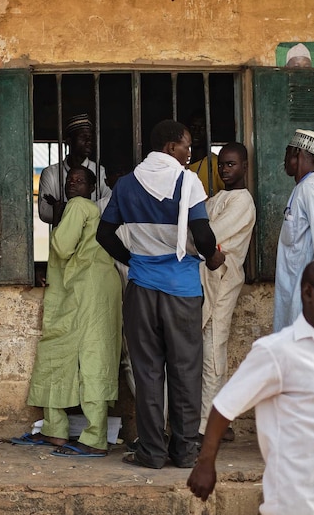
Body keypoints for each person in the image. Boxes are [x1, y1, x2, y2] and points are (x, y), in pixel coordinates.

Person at [96, 119, 225, 470]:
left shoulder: (125, 185)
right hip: (182, 291)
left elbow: (105, 235)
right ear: (170, 148)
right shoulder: (187, 182)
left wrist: (135, 260)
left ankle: (152, 452)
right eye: (186, 146)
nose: (190, 152)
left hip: (141, 289)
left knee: (148, 373)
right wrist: (214, 257)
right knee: (185, 371)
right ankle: (184, 451)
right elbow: (202, 235)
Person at [188, 258, 314, 514]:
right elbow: (225, 405)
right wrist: (206, 463)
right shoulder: (278, 352)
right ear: (308, 293)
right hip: (296, 502)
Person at [24, 167, 122, 457]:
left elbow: (62, 246)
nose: (72, 184)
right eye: (69, 180)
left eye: (80, 181)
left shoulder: (79, 206)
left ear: (93, 187)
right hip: (85, 289)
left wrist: (57, 214)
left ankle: (94, 438)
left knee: (90, 358)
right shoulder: (85, 209)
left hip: (87, 290)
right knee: (64, 353)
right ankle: (55, 430)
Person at [198, 142, 255, 439]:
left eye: (231, 164)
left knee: (213, 350)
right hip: (208, 278)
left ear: (245, 166)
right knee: (205, 349)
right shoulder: (218, 197)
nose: (224, 170)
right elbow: (199, 234)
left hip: (224, 278)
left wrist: (199, 240)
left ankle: (211, 426)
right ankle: (217, 422)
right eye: (222, 165)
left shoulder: (243, 202)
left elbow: (207, 235)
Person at [273, 129, 314, 332]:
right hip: (294, 287)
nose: (284, 160)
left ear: (297, 152)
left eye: (287, 153)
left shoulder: (311, 188)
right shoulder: (302, 188)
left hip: (306, 293)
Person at [38, 114, 110, 225]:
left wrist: (60, 208)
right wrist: (93, 208)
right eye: (83, 137)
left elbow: (108, 208)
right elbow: (45, 213)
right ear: (69, 141)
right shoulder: (51, 173)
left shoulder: (100, 171)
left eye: (90, 137)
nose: (89, 141)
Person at [186, 111, 224, 197]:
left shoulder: (215, 163)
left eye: (202, 128)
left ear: (210, 132)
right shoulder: (181, 165)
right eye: (193, 127)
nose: (196, 131)